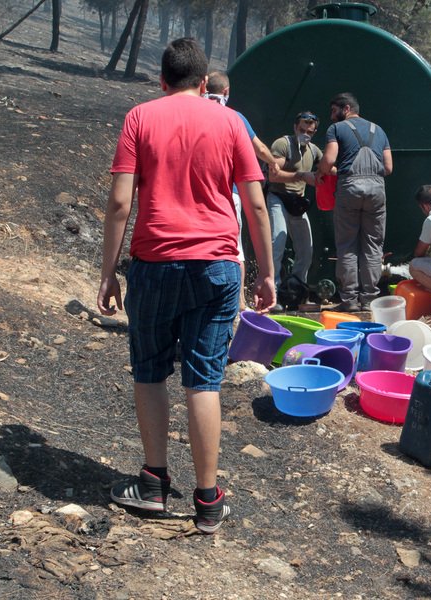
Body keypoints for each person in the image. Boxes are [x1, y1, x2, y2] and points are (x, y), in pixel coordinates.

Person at [97, 39, 275, 533]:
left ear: (161, 81)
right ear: (204, 84)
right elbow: (256, 204)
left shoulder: (139, 118)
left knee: (151, 370)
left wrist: (108, 271)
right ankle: (207, 499)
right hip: (218, 267)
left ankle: (153, 483)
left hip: (154, 264)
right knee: (204, 378)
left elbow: (118, 204)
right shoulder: (231, 122)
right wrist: (266, 271)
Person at [204, 71, 282, 309]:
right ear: (226, 91)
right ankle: (237, 304)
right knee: (234, 249)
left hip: (194, 193)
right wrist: (273, 162)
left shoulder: (190, 112)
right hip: (230, 195)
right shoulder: (234, 117)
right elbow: (258, 148)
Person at [317, 92, 392, 312]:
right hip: (377, 190)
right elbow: (388, 168)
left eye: (334, 111)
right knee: (372, 245)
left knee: (347, 244)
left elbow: (329, 159)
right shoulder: (379, 131)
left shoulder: (336, 129)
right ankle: (369, 299)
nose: (332, 116)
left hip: (349, 187)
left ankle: (349, 300)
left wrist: (323, 171)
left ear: (346, 108)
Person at [266, 111, 323, 298]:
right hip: (278, 197)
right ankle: (272, 289)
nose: (306, 134)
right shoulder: (283, 144)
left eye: (310, 131)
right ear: (295, 127)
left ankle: (297, 289)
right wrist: (301, 176)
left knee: (307, 249)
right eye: (302, 129)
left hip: (297, 202)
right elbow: (273, 174)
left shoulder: (313, 150)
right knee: (278, 242)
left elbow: (328, 166)